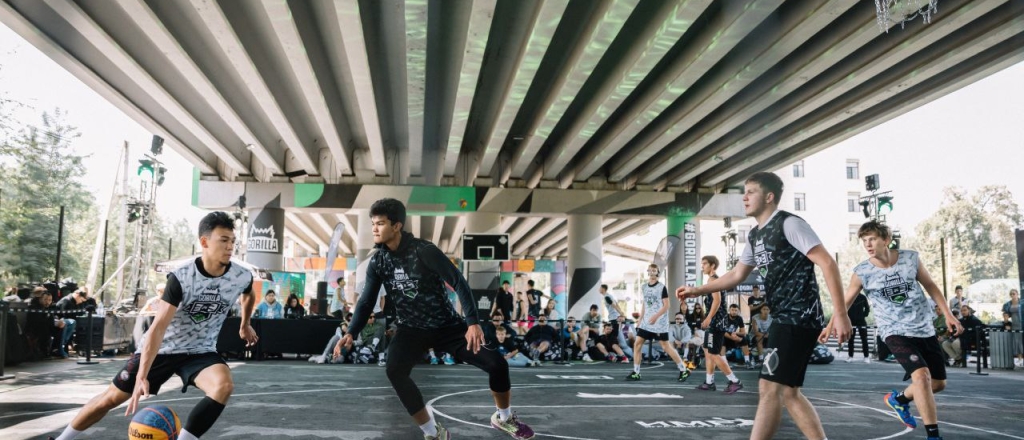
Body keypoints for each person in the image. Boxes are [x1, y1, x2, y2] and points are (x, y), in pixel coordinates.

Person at [336, 198, 533, 440]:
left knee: (498, 365)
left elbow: (459, 282)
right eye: (373, 224)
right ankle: (433, 432)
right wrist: (351, 332)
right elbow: (367, 301)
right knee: (395, 371)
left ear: (396, 225)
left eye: (380, 223)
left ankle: (504, 418)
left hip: (447, 327)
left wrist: (472, 322)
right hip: (411, 330)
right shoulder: (378, 260)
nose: (374, 229)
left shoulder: (424, 251)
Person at [51, 211, 258, 440]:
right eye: (224, 240)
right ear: (204, 242)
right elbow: (158, 328)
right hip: (163, 348)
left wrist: (245, 323)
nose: (230, 246)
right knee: (111, 398)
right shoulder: (181, 278)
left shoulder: (241, 276)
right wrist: (142, 374)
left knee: (223, 385)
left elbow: (249, 295)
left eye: (232, 241)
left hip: (200, 351)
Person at [677, 171, 851, 440]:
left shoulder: (789, 224)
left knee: (768, 388)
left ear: (769, 197)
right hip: (786, 316)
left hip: (798, 316)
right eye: (744, 192)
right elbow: (736, 275)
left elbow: (827, 262)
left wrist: (840, 314)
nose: (744, 197)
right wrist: (697, 290)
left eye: (751, 192)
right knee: (789, 393)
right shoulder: (755, 235)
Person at [825, 220, 962, 440]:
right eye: (864, 240)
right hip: (893, 330)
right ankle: (934, 436)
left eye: (872, 239)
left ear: (886, 240)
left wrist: (948, 314)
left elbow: (931, 286)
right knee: (922, 377)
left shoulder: (910, 259)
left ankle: (899, 400)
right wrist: (830, 324)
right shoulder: (862, 272)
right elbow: (844, 303)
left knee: (937, 384)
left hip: (923, 327)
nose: (868, 244)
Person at [626, 263, 691, 382]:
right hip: (646, 321)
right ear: (648, 272)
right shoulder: (644, 287)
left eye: (654, 270)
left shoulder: (662, 287)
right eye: (650, 270)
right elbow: (645, 303)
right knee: (637, 344)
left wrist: (656, 316)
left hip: (659, 322)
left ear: (657, 272)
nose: (652, 272)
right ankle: (636, 372)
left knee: (666, 346)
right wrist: (641, 319)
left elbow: (667, 305)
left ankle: (683, 369)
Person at [694, 256, 743, 391]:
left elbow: (717, 301)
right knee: (708, 351)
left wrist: (709, 318)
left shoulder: (713, 279)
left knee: (714, 353)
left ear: (713, 265)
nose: (702, 266)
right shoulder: (715, 280)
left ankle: (735, 381)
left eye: (704, 264)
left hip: (716, 323)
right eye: (702, 263)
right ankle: (709, 382)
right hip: (716, 322)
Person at [724, 303, 755, 369]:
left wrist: (736, 333)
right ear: (729, 310)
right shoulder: (725, 317)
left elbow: (743, 332)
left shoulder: (739, 318)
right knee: (721, 339)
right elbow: (722, 332)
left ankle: (747, 361)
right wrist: (732, 337)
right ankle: (724, 362)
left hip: (734, 336)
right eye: (732, 310)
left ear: (738, 311)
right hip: (725, 336)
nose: (734, 312)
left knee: (744, 339)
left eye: (736, 310)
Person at [846, 292, 871, 363]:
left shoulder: (863, 297)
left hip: (861, 321)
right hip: (850, 321)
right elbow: (844, 308)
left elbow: (867, 308)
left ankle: (866, 357)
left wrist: (863, 315)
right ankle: (850, 356)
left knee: (864, 339)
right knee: (850, 339)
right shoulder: (848, 296)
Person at [1002, 289, 1023, 367]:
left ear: (1017, 294)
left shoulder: (1022, 302)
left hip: (1022, 323)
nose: (1012, 295)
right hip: (1015, 324)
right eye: (1011, 294)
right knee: (1017, 342)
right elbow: (1005, 315)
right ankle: (1020, 358)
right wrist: (1006, 323)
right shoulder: (1008, 304)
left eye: (1014, 294)